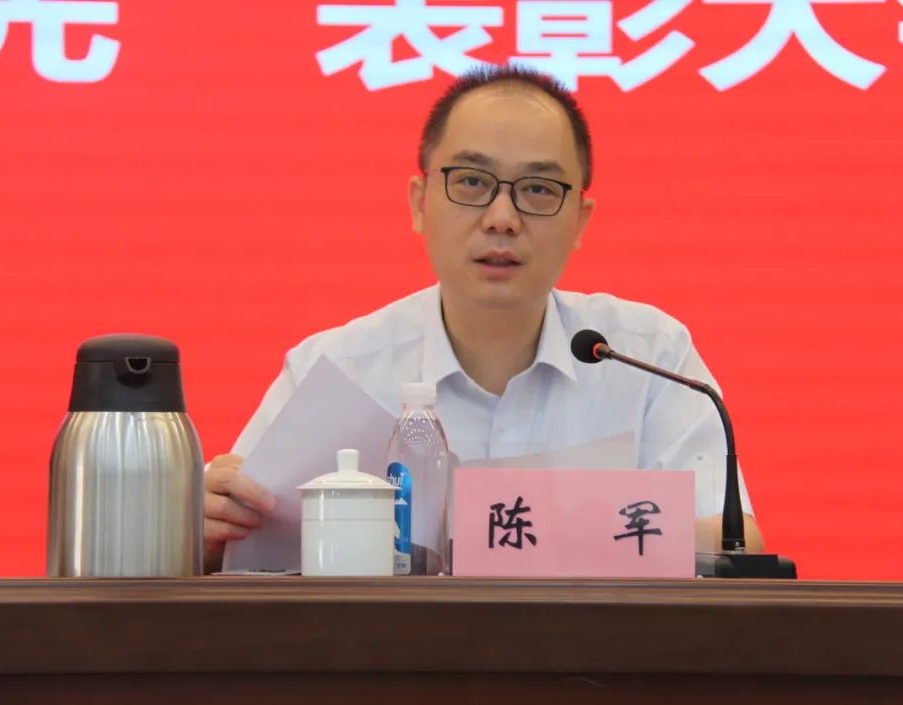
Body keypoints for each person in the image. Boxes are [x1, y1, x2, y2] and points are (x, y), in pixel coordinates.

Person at [203, 65, 765, 573]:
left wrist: (499, 531)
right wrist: (206, 529)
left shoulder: (648, 357)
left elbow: (737, 547)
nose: (502, 218)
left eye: (538, 189)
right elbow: (238, 544)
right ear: (420, 202)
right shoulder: (336, 369)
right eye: (472, 182)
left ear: (579, 219)